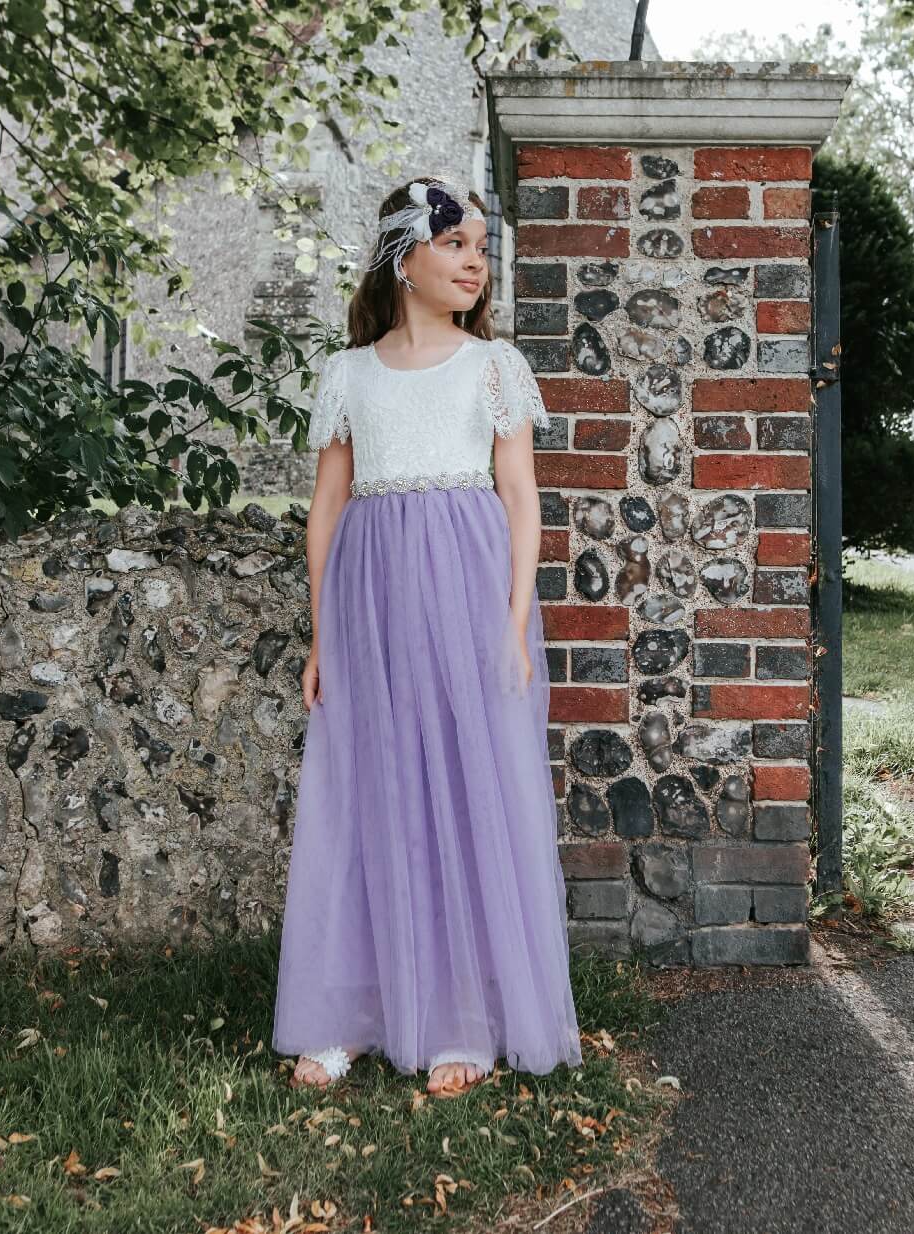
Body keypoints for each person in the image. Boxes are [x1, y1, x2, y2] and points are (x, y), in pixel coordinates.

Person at [272, 174, 584, 1098]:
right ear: (404, 259)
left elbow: (522, 503)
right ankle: (346, 1016)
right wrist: (323, 639)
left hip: (467, 593)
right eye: (456, 245)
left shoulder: (494, 369)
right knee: (368, 791)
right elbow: (324, 513)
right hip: (370, 600)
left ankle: (459, 1017)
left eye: (482, 249)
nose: (474, 264)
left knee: (462, 790)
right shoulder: (348, 375)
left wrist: (516, 625)